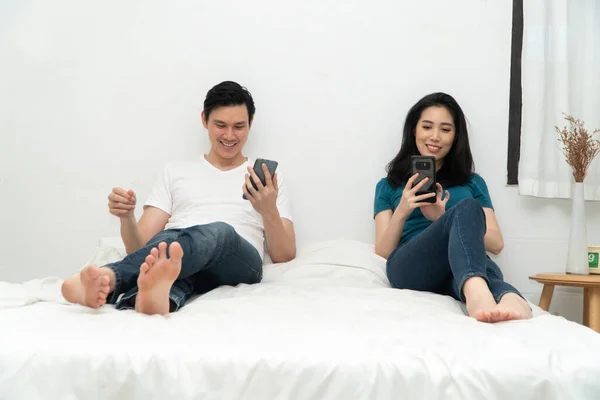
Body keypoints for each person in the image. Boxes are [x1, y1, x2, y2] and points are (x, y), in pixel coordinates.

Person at [62, 81, 296, 315]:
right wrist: (126, 218)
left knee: (216, 232)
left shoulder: (267, 180)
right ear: (204, 120)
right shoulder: (174, 171)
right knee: (168, 255)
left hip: (237, 257)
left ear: (250, 124)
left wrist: (268, 209)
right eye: (220, 125)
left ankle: (110, 276)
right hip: (179, 249)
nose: (229, 135)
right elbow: (140, 246)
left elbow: (284, 255)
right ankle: (149, 300)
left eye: (239, 127)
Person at [373, 92, 532, 323]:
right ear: (414, 130)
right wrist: (403, 210)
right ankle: (481, 294)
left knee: (469, 234)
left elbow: (496, 244)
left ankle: (509, 298)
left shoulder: (472, 182)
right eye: (427, 127)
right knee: (466, 210)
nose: (435, 137)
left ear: (456, 136)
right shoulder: (389, 185)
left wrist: (444, 217)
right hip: (411, 267)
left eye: (445, 130)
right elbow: (383, 252)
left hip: (458, 265)